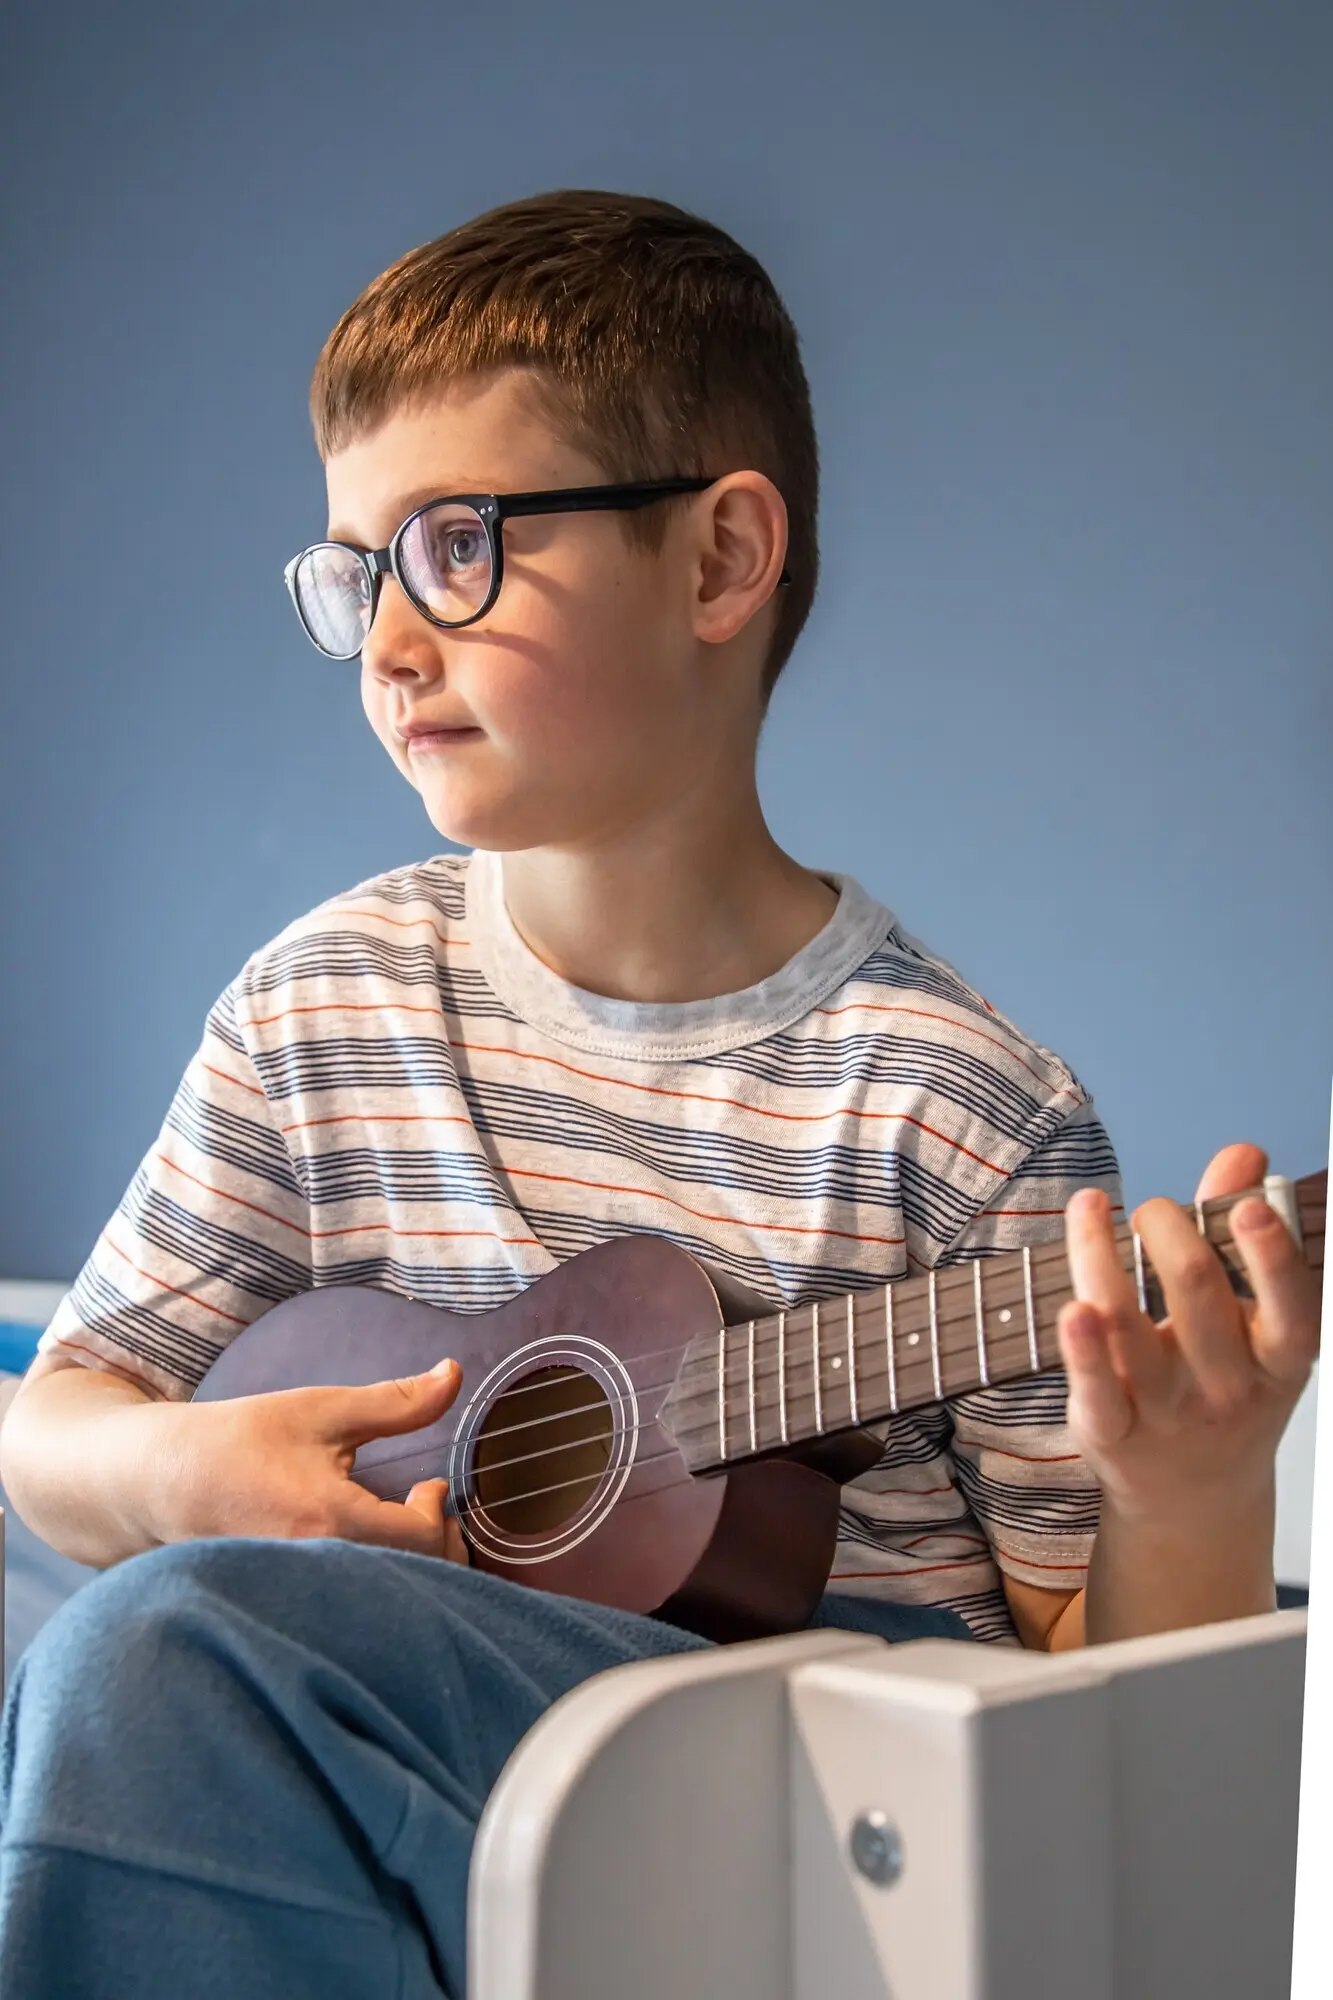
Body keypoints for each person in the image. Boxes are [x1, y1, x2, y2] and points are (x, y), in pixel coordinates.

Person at [0, 190, 1318, 1999]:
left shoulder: (953, 1108)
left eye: (456, 548)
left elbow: (1101, 1740)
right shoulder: (322, 1009)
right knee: (140, 1650)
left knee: (155, 1668)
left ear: (717, 562)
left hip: (805, 1891)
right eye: (354, 571)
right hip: (388, 1852)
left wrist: (1194, 1486)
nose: (388, 640)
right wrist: (174, 1472)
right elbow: (52, 1422)